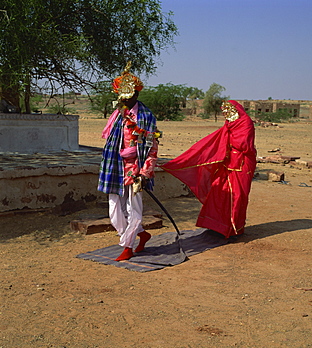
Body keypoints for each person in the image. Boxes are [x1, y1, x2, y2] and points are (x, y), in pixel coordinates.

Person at [161, 100, 256, 238]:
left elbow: (244, 145)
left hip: (242, 165)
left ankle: (234, 228)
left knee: (237, 195)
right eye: (225, 113)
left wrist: (228, 139)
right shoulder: (229, 125)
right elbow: (221, 139)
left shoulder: (245, 123)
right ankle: (216, 226)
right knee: (218, 191)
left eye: (229, 112)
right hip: (228, 163)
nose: (227, 116)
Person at [98, 62, 159, 261]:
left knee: (134, 210)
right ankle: (140, 235)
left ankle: (127, 247)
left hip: (136, 169)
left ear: (136, 95)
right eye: (121, 97)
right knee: (114, 209)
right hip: (116, 167)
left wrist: (144, 173)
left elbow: (151, 147)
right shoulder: (117, 116)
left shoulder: (146, 117)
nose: (124, 100)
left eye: (128, 96)